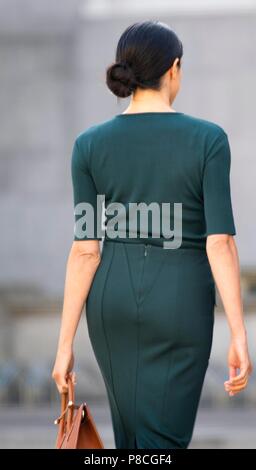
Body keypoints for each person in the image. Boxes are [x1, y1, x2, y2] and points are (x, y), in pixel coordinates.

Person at [52, 20, 253, 449]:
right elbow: (220, 242)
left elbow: (86, 250)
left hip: (112, 300)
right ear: (174, 69)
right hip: (181, 295)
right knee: (165, 442)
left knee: (132, 439)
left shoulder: (89, 145)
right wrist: (239, 332)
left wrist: (64, 343)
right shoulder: (208, 140)